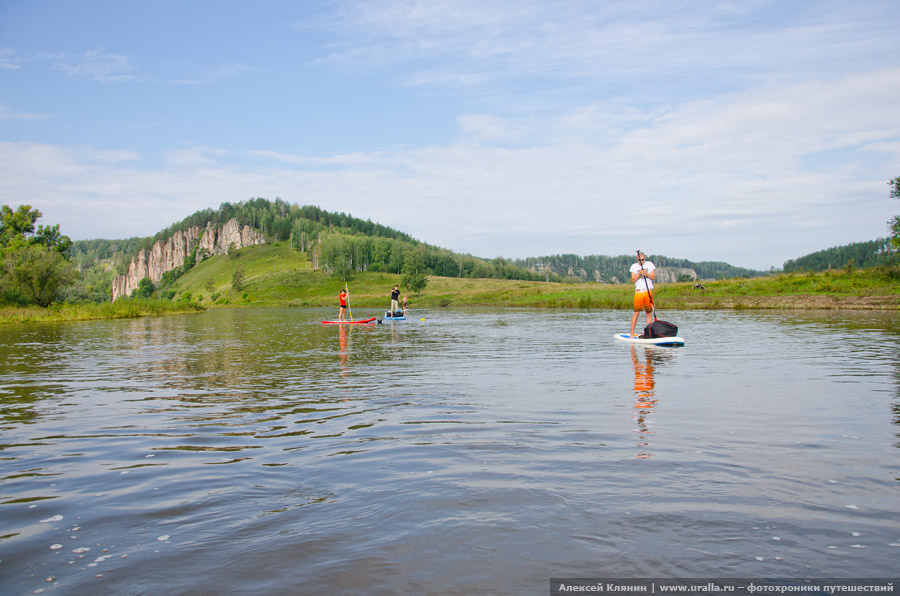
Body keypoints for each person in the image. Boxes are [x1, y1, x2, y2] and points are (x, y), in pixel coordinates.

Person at [629, 252, 656, 337]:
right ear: (637, 259)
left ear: (644, 258)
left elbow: (653, 277)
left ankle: (647, 332)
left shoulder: (649, 264)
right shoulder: (634, 266)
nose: (641, 261)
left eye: (642, 259)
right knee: (636, 312)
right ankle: (632, 333)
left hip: (648, 291)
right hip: (639, 291)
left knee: (648, 312)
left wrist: (646, 274)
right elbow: (633, 279)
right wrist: (639, 273)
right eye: (639, 260)